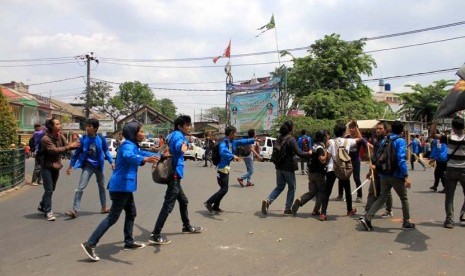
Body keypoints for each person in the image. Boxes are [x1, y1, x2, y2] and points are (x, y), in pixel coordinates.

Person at [81, 122, 161, 261]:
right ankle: (90, 243)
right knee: (112, 218)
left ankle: (129, 242)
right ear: (133, 133)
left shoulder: (133, 145)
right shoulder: (126, 146)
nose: (143, 134)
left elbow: (142, 152)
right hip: (120, 187)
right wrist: (145, 159)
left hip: (125, 187)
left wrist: (161, 155)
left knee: (131, 212)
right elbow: (130, 156)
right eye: (141, 131)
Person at [149, 115, 203, 245]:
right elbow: (179, 146)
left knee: (183, 201)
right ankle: (156, 234)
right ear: (180, 126)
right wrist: (183, 146)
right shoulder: (179, 136)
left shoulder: (171, 135)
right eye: (187, 125)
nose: (189, 127)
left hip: (174, 173)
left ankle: (186, 226)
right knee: (168, 204)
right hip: (174, 174)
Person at [360, 121, 415, 231]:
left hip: (384, 174)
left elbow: (377, 156)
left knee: (381, 197)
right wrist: (405, 176)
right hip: (396, 175)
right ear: (402, 130)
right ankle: (406, 222)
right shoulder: (400, 141)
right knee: (404, 199)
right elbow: (401, 159)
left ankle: (368, 217)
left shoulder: (385, 140)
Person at [65, 119, 115, 219]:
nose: (87, 128)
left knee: (102, 187)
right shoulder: (83, 139)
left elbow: (106, 151)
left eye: (90, 126)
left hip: (99, 167)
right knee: (81, 187)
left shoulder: (101, 138)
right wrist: (70, 166)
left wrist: (111, 162)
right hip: (88, 166)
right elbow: (76, 154)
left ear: (95, 128)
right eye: (87, 126)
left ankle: (104, 207)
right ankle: (75, 210)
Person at [261, 121, 312, 215]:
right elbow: (299, 153)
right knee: (292, 187)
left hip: (278, 166)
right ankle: (287, 208)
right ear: (291, 128)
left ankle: (268, 200)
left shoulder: (279, 138)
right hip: (288, 167)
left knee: (279, 187)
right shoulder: (291, 139)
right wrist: (309, 153)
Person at [205, 126, 258, 214]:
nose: (236, 135)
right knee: (224, 189)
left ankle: (215, 206)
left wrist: (253, 139)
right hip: (222, 168)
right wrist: (233, 156)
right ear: (230, 133)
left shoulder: (232, 142)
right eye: (235, 133)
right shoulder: (223, 142)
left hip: (226, 167)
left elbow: (242, 141)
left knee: (223, 188)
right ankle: (209, 202)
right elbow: (223, 151)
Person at [37, 118, 80, 221]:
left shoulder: (60, 136)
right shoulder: (45, 139)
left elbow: (67, 145)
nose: (60, 125)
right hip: (46, 166)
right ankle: (48, 211)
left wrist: (79, 144)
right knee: (48, 190)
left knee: (51, 189)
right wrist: (70, 147)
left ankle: (42, 205)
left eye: (59, 123)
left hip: (56, 166)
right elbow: (54, 151)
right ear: (51, 126)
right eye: (57, 124)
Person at [320, 122, 361, 221]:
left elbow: (328, 156)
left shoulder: (331, 142)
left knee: (327, 191)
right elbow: (360, 138)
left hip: (332, 167)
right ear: (344, 131)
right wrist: (355, 127)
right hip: (343, 169)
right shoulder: (348, 141)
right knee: (347, 190)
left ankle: (323, 213)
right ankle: (349, 210)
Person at [431, 117, 465, 229]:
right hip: (464, 170)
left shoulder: (449, 138)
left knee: (449, 196)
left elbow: (433, 135)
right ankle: (463, 213)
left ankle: (449, 220)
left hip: (450, 169)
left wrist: (434, 122)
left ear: (453, 127)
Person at [291, 130, 328, 216]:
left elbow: (311, 155)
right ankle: (316, 210)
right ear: (323, 138)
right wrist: (327, 153)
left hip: (311, 172)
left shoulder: (313, 146)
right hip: (318, 173)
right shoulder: (320, 148)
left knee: (312, 191)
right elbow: (322, 160)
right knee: (321, 191)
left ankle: (300, 200)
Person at [364, 121, 393, 218]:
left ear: (385, 130)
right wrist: (370, 171)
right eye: (377, 128)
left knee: (386, 192)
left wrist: (378, 166)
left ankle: (388, 210)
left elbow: (387, 157)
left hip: (384, 170)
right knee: (372, 190)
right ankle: (368, 211)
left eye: (380, 129)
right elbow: (374, 156)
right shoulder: (376, 141)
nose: (378, 130)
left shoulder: (388, 141)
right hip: (375, 170)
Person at [337, 121, 368, 203]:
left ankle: (359, 196)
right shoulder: (347, 137)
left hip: (356, 160)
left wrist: (367, 154)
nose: (351, 129)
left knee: (356, 178)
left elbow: (367, 145)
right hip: (346, 160)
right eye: (350, 128)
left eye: (353, 128)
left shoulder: (361, 139)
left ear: (356, 129)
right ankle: (340, 194)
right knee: (342, 177)